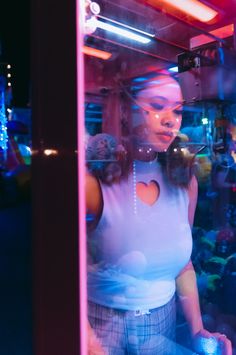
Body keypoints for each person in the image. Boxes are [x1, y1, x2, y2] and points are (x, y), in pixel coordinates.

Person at [86, 74, 232, 354]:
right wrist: (90, 343)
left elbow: (183, 264)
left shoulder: (183, 182)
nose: (170, 120)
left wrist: (197, 329)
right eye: (156, 105)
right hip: (103, 326)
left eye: (177, 110)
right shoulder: (95, 185)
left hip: (162, 322)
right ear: (126, 112)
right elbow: (64, 274)